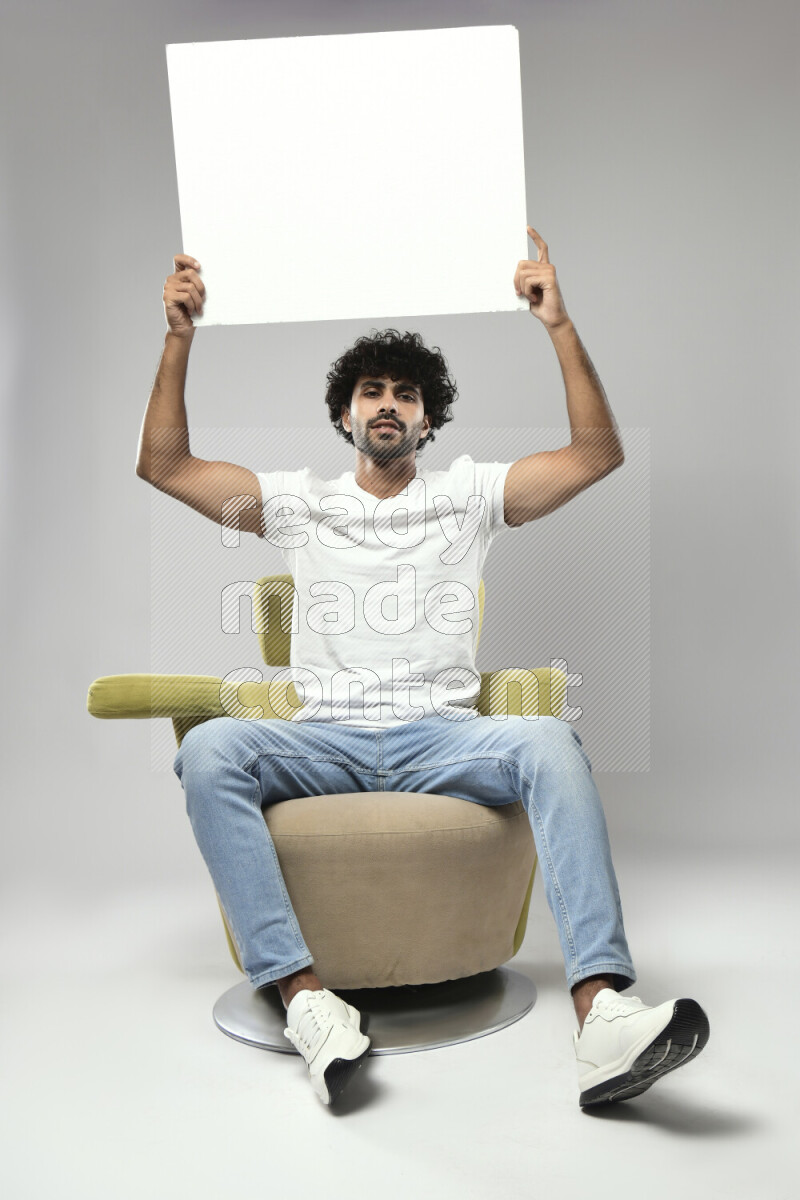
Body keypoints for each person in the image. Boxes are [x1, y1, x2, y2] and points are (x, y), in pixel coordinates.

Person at [136, 226, 709, 1108]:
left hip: (441, 739)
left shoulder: (469, 495)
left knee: (550, 740)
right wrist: (180, 338)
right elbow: (164, 465)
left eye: (406, 394)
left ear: (428, 421)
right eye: (372, 393)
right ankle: (306, 1001)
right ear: (345, 416)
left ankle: (602, 1013)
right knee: (211, 750)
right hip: (320, 739)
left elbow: (598, 455)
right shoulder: (296, 504)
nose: (389, 405)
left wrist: (558, 324)